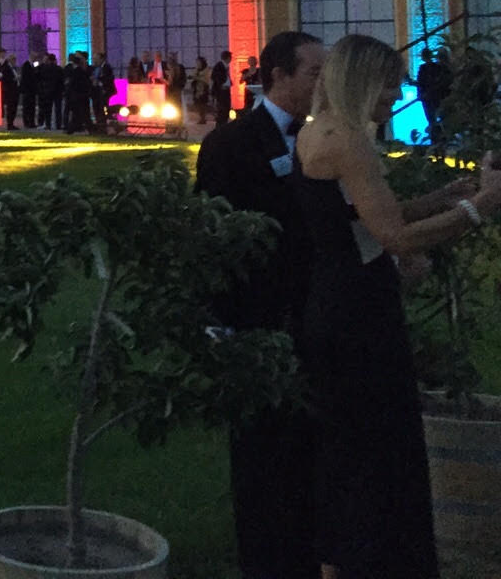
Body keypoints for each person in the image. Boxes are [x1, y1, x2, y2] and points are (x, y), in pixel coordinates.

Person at [294, 34, 501, 579]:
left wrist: (439, 199)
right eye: (390, 83)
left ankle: (339, 561)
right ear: (362, 81)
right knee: (379, 458)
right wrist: (481, 207)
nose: (397, 94)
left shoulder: (317, 132)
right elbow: (395, 237)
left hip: (332, 305)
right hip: (360, 316)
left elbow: (359, 215)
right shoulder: (350, 142)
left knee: (345, 454)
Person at [195, 29, 326, 579]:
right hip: (256, 319)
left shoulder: (322, 138)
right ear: (278, 76)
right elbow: (211, 239)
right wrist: (220, 322)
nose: (323, 83)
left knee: (308, 450)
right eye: (314, 73)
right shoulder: (231, 144)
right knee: (259, 454)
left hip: (315, 315)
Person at [0, 51, 20, 129]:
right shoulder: (6, 68)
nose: (15, 61)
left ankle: (12, 123)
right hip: (10, 91)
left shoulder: (14, 68)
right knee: (10, 108)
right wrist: (13, 79)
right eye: (14, 60)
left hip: (15, 90)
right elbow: (5, 79)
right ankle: (9, 124)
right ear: (10, 60)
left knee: (14, 108)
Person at [212, 50, 234, 123]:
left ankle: (224, 123)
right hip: (221, 91)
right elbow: (215, 77)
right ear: (228, 58)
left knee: (226, 108)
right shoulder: (219, 66)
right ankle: (221, 124)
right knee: (222, 109)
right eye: (230, 57)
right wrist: (221, 85)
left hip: (226, 90)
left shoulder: (226, 66)